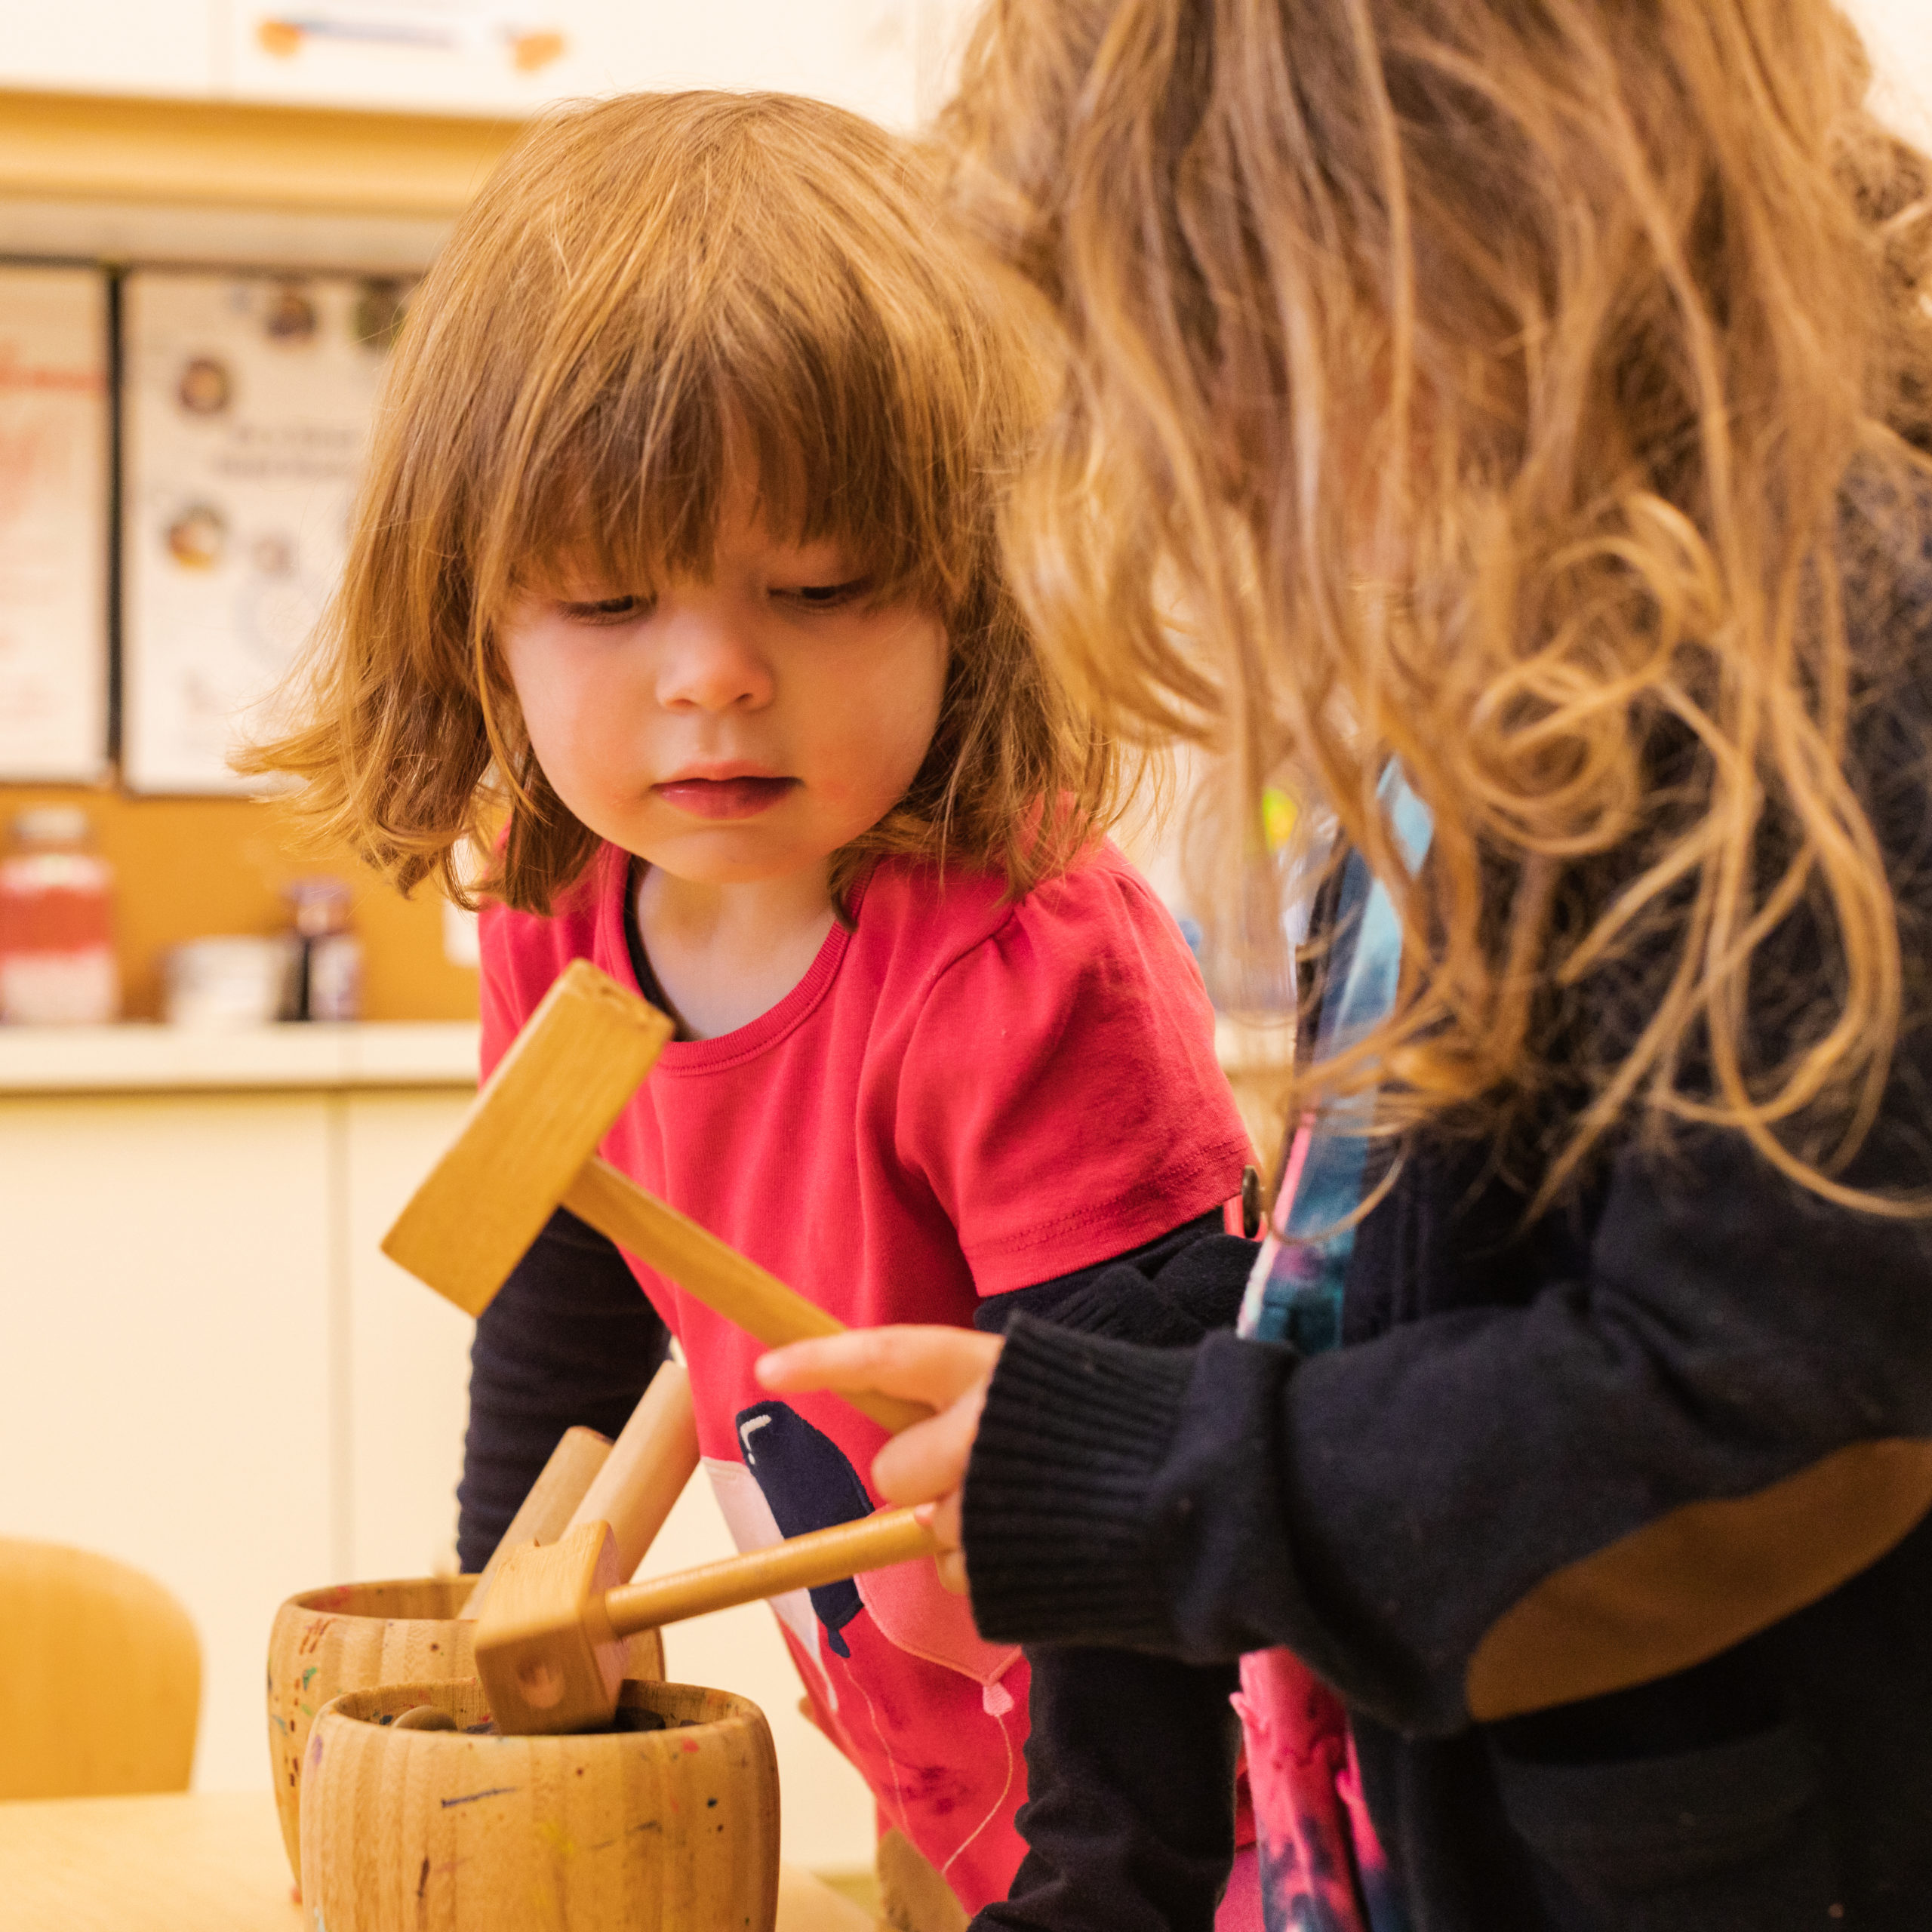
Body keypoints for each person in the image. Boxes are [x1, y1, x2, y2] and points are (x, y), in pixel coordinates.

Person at [755, 5, 1932, 1929]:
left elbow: (1760, 1398)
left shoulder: (1810, 664)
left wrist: (1165, 1475)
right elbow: (1451, 1294)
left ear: (1429, 238)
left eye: (1211, 345)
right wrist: (1150, 1368)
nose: (1194, 445)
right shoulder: (1491, 661)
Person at [245, 91, 1267, 1931]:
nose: (714, 671)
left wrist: (1105, 1888)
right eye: (607, 595)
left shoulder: (1030, 968)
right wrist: (509, 1685)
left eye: (815, 587)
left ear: (975, 595)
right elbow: (560, 1321)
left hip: (1177, 1820)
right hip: (931, 1767)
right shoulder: (561, 912)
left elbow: (1148, 1503)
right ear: (475, 619)